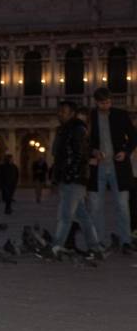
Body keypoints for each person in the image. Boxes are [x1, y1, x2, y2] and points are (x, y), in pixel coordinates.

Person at [49, 101, 103, 262]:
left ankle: (56, 246)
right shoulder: (66, 130)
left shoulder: (77, 129)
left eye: (63, 112)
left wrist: (69, 175)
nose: (60, 114)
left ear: (72, 113)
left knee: (65, 216)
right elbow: (59, 155)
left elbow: (79, 155)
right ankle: (96, 247)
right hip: (72, 178)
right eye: (59, 111)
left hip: (73, 179)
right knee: (83, 216)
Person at [87, 87, 136, 252]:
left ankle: (125, 241)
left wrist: (125, 152)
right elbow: (84, 141)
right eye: (102, 103)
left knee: (122, 205)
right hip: (97, 167)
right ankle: (98, 241)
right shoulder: (90, 117)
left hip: (119, 167)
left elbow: (134, 137)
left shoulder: (121, 115)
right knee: (95, 206)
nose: (106, 105)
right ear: (96, 102)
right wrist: (92, 151)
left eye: (108, 102)